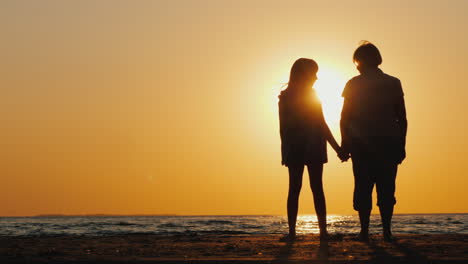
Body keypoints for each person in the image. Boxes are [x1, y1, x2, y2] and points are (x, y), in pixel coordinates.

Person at [340, 42, 407, 242]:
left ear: (358, 62)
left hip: (362, 143)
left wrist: (345, 143)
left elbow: (345, 117)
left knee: (363, 186)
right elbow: (402, 117)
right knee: (387, 187)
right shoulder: (393, 82)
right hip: (388, 142)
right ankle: (386, 231)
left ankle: (365, 231)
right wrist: (402, 144)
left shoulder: (353, 84)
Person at [278, 58, 346, 241]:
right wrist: (337, 148)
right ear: (305, 74)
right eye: (314, 73)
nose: (316, 77)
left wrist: (286, 151)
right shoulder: (306, 95)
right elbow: (321, 124)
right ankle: (321, 232)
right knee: (315, 188)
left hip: (297, 148)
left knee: (295, 188)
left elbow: (283, 129)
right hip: (310, 146)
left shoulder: (286, 96)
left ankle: (294, 233)